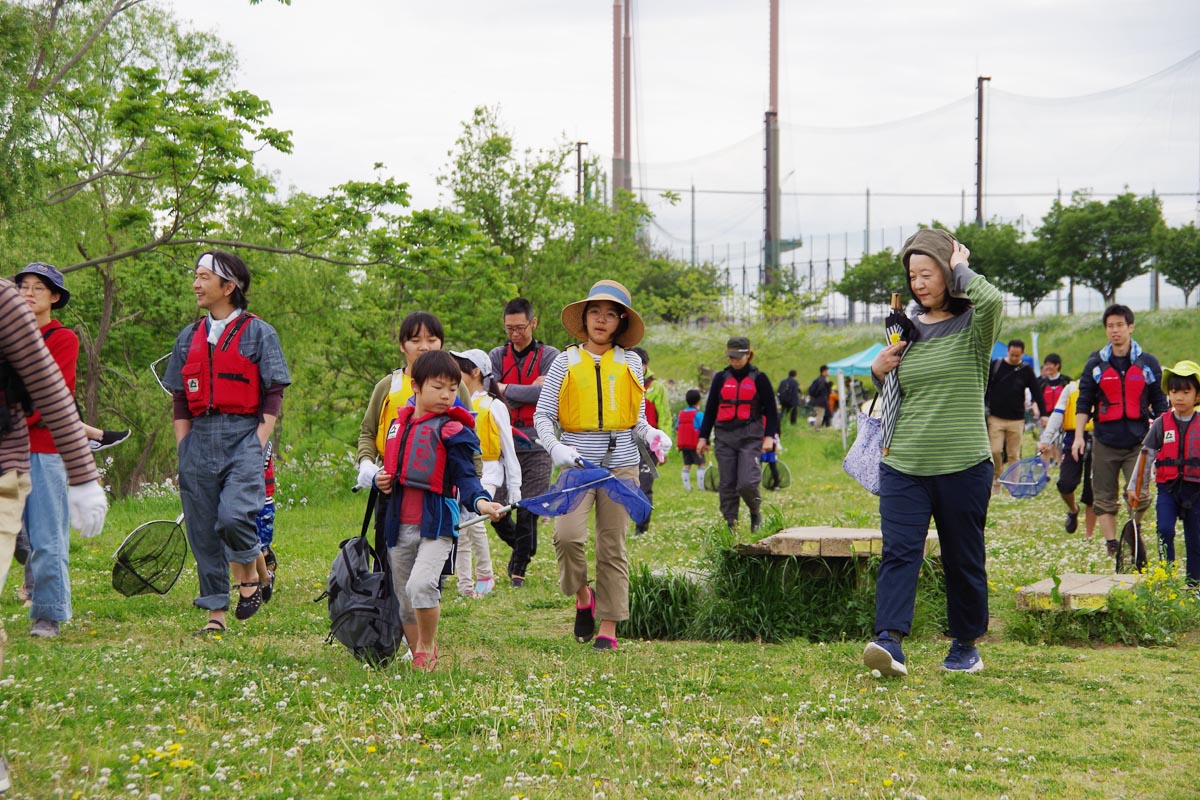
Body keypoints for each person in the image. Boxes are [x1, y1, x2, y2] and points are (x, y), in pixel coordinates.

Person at [862, 229, 1002, 677]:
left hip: (963, 465)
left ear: (947, 272)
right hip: (903, 462)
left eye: (928, 272)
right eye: (912, 274)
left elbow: (995, 301)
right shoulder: (905, 328)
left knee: (963, 556)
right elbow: (899, 390)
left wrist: (964, 268)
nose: (918, 282)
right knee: (900, 552)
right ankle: (890, 642)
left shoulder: (975, 326)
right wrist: (877, 369)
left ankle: (964, 645)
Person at [2, 276, 108, 793]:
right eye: (22, 284)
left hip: (37, 448)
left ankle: (48, 612)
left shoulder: (58, 337)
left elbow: (54, 394)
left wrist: (83, 470)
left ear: (56, 297)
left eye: (38, 288)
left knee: (47, 538)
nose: (27, 293)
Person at [534, 280, 670, 652]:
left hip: (622, 466)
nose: (601, 320)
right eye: (596, 312)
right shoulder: (564, 361)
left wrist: (653, 434)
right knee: (566, 537)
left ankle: (608, 626)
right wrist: (556, 447)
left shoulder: (629, 363)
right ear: (585, 317)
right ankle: (583, 597)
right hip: (577, 466)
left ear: (620, 323)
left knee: (612, 546)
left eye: (611, 315)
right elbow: (543, 415)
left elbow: (637, 418)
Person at [163, 251, 290, 635]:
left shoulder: (259, 332)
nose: (196, 284)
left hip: (244, 438)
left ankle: (254, 575)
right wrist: (183, 447)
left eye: (204, 277)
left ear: (229, 287)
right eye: (196, 275)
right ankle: (215, 614)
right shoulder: (189, 337)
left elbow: (274, 390)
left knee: (234, 516)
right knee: (202, 531)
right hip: (198, 440)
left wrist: (258, 439)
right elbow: (181, 398)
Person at [374, 350, 506, 671]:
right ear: (416, 386)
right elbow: (390, 468)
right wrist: (381, 480)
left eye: (452, 388)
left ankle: (426, 648)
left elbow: (465, 477)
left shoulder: (453, 431)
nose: (448, 395)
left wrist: (481, 502)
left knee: (421, 585)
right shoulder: (398, 425)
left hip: (437, 526)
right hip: (398, 524)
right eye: (439, 387)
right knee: (404, 595)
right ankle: (415, 646)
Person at [1072, 305, 1169, 557]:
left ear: (1130, 327)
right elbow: (1084, 401)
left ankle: (1133, 529)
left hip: (1139, 440)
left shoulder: (1147, 363)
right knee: (1103, 496)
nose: (1115, 331)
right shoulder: (1095, 364)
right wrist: (1079, 437)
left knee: (1140, 493)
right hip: (1105, 440)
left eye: (1119, 325)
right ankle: (1112, 544)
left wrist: (1165, 438)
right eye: (1110, 326)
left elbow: (1160, 403)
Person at [489, 298, 561, 587]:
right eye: (509, 329)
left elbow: (546, 394)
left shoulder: (549, 355)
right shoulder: (496, 354)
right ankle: (525, 547)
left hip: (537, 440)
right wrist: (521, 389)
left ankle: (518, 568)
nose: (515, 334)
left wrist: (507, 388)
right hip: (504, 439)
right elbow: (490, 391)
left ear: (533, 323)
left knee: (528, 505)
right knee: (496, 507)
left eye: (520, 328)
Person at [450, 348, 521, 598]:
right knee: (462, 525)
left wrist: (515, 490)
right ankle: (468, 583)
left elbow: (509, 452)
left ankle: (482, 577)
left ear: (475, 371)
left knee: (471, 523)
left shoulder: (494, 406)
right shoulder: (457, 403)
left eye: (459, 367)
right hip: (466, 473)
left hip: (489, 473)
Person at [356, 311, 446, 493]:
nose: (424, 347)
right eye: (415, 341)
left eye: (431, 340)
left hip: (440, 482)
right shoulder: (387, 386)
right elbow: (368, 432)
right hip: (390, 482)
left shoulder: (454, 387)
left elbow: (471, 436)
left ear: (441, 343)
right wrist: (366, 464)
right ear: (402, 346)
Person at [696, 336, 779, 531]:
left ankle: (754, 511)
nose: (733, 361)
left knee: (747, 483)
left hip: (751, 437)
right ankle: (730, 523)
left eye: (737, 357)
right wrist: (703, 437)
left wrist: (769, 436)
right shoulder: (720, 378)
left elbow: (772, 412)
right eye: (730, 356)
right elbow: (710, 410)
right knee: (727, 484)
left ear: (748, 355)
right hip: (725, 437)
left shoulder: (760, 378)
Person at [1130, 360, 1200, 586]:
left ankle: (1193, 585)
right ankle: (1167, 579)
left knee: (1195, 539)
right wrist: (1135, 486)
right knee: (1164, 530)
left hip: (1195, 491)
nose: (1179, 397)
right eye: (1174, 391)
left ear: (1197, 396)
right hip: (1168, 489)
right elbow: (1146, 456)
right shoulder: (1161, 424)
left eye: (1186, 392)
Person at [1038, 379, 1097, 537]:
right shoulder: (1071, 388)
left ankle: (1088, 536)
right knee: (1065, 483)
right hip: (1072, 439)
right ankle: (1073, 509)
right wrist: (1046, 439)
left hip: (1099, 439)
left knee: (1092, 490)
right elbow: (1058, 414)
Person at [985, 339, 1046, 493]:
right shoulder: (996, 365)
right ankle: (997, 479)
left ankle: (1013, 484)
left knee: (1014, 454)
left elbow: (1037, 392)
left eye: (1017, 356)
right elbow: (985, 386)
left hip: (1017, 419)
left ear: (1022, 354)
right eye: (1012, 355)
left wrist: (1044, 413)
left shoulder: (1026, 370)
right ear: (1008, 352)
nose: (1013, 358)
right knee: (995, 450)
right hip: (995, 417)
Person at [631, 346, 669, 536]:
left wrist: (664, 447)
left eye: (639, 365)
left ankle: (641, 527)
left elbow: (665, 417)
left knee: (644, 485)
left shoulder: (656, 387)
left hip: (649, 446)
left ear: (646, 366)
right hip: (625, 443)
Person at [1036, 354, 1071, 465]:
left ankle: (1060, 463)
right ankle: (1045, 472)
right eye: (1046, 365)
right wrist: (1040, 414)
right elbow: (1035, 400)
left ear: (1057, 365)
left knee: (1061, 444)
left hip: (1063, 417)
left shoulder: (1066, 381)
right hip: (1045, 417)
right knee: (1045, 444)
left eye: (1050, 364)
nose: (1047, 367)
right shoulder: (1041, 383)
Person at [675, 388, 706, 491]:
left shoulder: (681, 414)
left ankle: (687, 487)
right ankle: (701, 487)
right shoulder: (699, 414)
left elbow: (677, 428)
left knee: (686, 465)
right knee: (701, 464)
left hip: (684, 444)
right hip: (696, 444)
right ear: (698, 401)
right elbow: (704, 429)